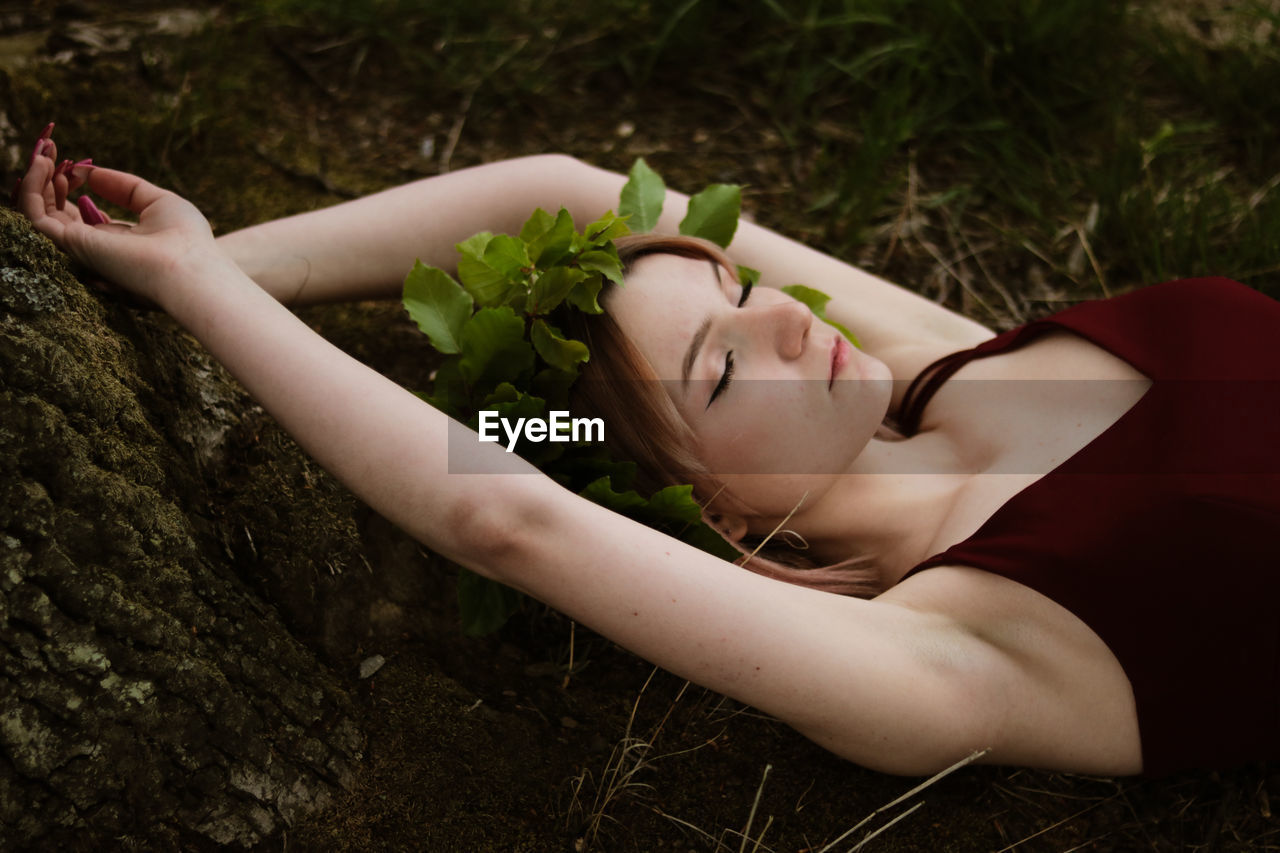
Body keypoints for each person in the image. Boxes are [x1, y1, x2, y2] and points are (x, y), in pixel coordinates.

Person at [16, 126, 1278, 778]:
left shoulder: (954, 361)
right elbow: (509, 515)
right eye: (725, 365)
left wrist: (222, 262)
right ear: (711, 509)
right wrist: (188, 291)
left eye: (734, 292)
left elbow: (560, 192)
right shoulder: (946, 662)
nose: (790, 314)